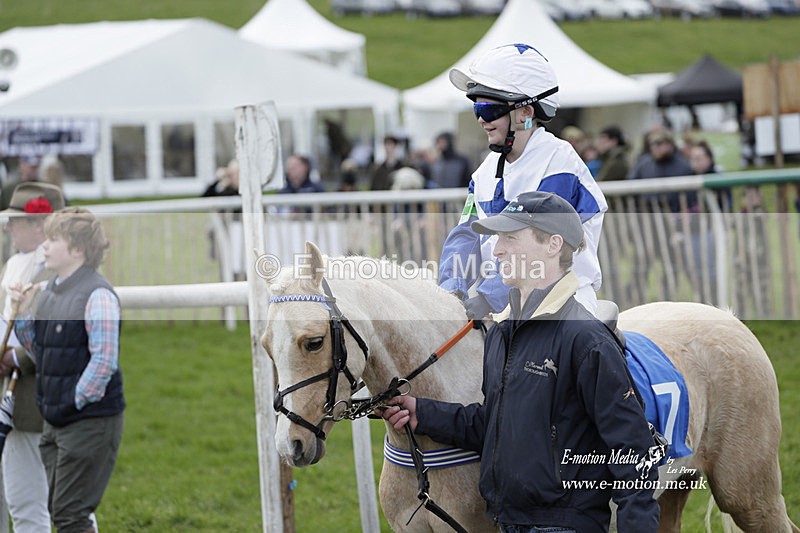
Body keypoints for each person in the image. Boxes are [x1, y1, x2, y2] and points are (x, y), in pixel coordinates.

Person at [381, 192, 660, 532]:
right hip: (508, 522)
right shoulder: (501, 334)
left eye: (511, 238)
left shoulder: (586, 339)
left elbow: (634, 452)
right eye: (498, 239)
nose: (497, 250)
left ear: (553, 245)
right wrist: (421, 412)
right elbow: (495, 425)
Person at [438, 43, 607, 318]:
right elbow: (465, 234)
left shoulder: (560, 162)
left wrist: (487, 298)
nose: (481, 119)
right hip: (506, 306)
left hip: (561, 303)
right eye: (476, 107)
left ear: (526, 113)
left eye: (489, 108)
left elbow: (536, 247)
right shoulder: (483, 173)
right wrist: (452, 290)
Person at [9, 207, 124, 533]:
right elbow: (38, 349)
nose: (44, 246)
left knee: (70, 513)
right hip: (56, 420)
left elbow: (104, 361)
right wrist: (24, 312)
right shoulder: (47, 294)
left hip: (88, 420)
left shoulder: (98, 295)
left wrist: (72, 400)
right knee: (61, 509)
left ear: (77, 249)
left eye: (53, 239)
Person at [0, 183, 64, 533]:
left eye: (17, 221)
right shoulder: (14, 263)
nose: (8, 227)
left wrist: (15, 357)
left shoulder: (63, 268)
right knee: (22, 500)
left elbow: (64, 339)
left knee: (63, 504)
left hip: (48, 396)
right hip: (14, 396)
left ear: (40, 226)